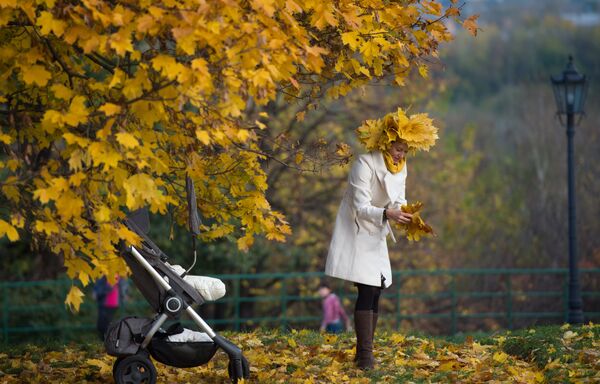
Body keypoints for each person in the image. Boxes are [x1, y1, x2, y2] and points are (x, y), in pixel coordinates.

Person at [325, 108, 438, 370]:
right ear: (387, 143)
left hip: (377, 231)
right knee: (367, 289)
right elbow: (360, 206)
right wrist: (389, 213)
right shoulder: (364, 164)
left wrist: (409, 216)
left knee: (376, 290)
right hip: (356, 229)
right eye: (398, 148)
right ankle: (365, 356)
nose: (401, 154)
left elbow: (400, 198)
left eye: (405, 150)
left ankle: (363, 352)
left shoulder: (401, 167)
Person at [93, 275, 127, 340]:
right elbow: (100, 286)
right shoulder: (104, 274)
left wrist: (123, 295)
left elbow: (122, 287)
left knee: (106, 325)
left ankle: (107, 341)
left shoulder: (119, 275)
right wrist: (96, 292)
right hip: (104, 303)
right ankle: (105, 340)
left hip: (113, 303)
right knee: (101, 325)